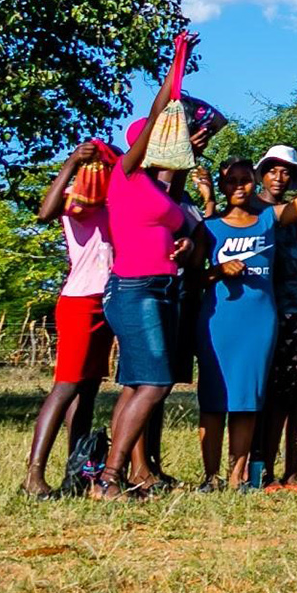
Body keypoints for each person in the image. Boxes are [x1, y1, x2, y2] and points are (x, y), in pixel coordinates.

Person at [194, 138, 297, 491]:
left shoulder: (269, 219)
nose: (240, 187)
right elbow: (193, 276)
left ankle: (238, 477)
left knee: (247, 399)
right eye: (231, 181)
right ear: (222, 185)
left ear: (253, 181)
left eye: (244, 180)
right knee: (213, 398)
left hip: (260, 322)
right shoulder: (209, 227)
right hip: (219, 320)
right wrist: (220, 270)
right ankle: (211, 477)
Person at [94, 76, 203, 499]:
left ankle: (115, 476)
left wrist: (186, 241)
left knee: (139, 384)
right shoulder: (126, 175)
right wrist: (174, 73)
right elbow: (160, 113)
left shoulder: (164, 189)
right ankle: (109, 476)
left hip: (163, 288)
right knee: (155, 384)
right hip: (133, 289)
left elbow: (181, 224)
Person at [25, 140, 115, 498]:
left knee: (89, 388)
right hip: (79, 301)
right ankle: (33, 475)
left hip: (106, 300)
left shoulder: (112, 206)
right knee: (66, 385)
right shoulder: (77, 204)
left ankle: (75, 471)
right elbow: (44, 212)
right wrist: (70, 163)